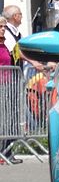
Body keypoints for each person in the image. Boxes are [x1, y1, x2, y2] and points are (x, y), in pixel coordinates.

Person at [0, 16, 22, 164]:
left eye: (3, 27)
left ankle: (6, 152)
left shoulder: (3, 45)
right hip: (1, 86)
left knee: (8, 120)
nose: (3, 29)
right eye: (0, 27)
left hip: (8, 85)